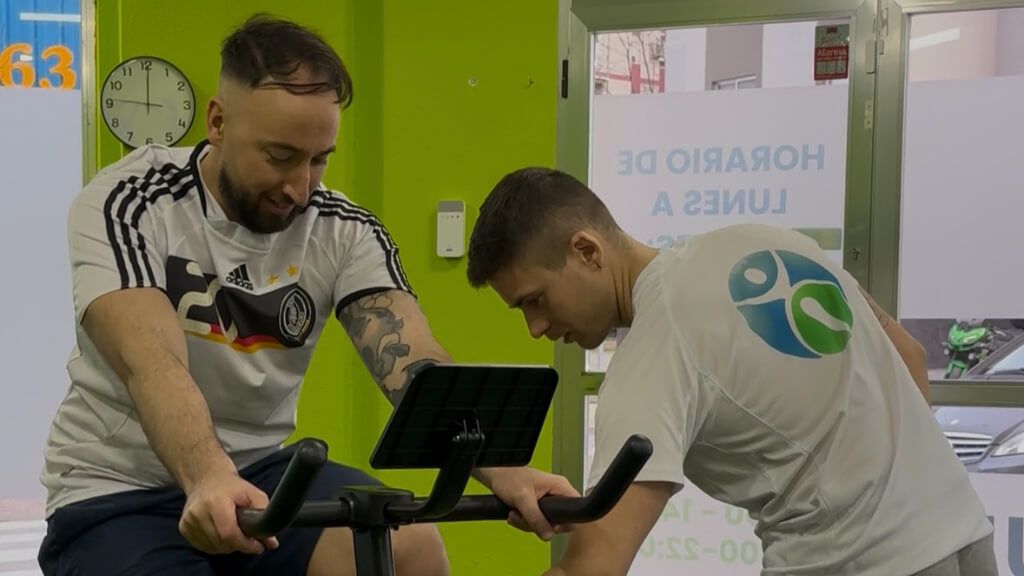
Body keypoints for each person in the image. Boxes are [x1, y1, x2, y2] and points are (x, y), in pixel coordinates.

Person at [37, 16, 575, 576]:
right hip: (119, 491)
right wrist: (206, 475)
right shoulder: (132, 204)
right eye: (279, 156)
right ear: (217, 122)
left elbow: (413, 361)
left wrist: (502, 468)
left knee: (411, 550)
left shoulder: (342, 229)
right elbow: (150, 360)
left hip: (262, 474)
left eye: (319, 159)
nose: (300, 186)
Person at [465, 167, 997, 576]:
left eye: (535, 300)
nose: (535, 327)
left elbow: (595, 567)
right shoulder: (765, 241)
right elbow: (909, 358)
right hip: (964, 537)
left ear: (586, 250)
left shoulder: (656, 352)